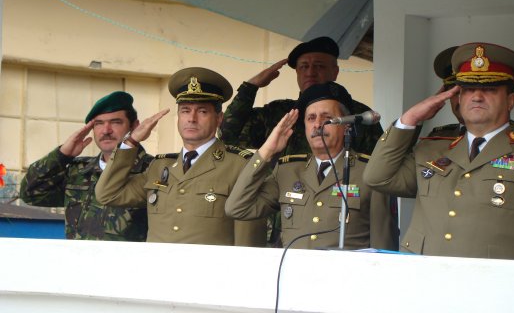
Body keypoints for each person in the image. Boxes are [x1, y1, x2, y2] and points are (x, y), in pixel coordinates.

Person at [364, 42, 514, 260]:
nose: (477, 96)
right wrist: (410, 119)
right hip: (427, 274)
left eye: (490, 89)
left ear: (511, 101)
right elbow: (378, 178)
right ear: (459, 98)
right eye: (468, 90)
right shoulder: (432, 148)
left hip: (495, 278)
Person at [95, 67, 266, 246]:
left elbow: (248, 238)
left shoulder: (240, 165)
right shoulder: (160, 166)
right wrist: (131, 141)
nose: (192, 118)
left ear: (219, 118)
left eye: (202, 111)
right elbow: (107, 194)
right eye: (185, 111)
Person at [225, 81, 398, 250]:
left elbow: (383, 245)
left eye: (327, 118)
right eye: (311, 118)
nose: (317, 124)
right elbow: (237, 208)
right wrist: (267, 151)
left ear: (346, 126)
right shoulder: (287, 170)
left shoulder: (370, 174)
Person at [20, 91, 151, 241]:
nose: (106, 130)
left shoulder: (153, 170)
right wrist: (62, 156)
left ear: (135, 127)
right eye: (98, 124)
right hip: (79, 256)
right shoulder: (79, 171)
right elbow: (30, 194)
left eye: (115, 122)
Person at [220, 36, 383, 156]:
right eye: (304, 67)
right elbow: (228, 135)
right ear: (297, 72)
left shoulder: (357, 115)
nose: (310, 72)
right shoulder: (279, 113)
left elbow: (379, 166)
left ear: (335, 72)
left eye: (319, 66)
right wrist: (250, 87)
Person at [428, 46, 514, 137]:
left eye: (488, 88)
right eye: (465, 90)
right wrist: (419, 118)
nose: (476, 98)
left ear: (510, 101)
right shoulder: (437, 139)